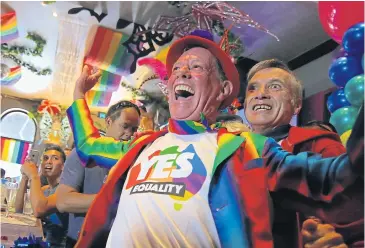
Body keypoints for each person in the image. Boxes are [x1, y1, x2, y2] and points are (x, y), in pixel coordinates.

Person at [67, 30, 363, 248]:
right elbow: (87, 146)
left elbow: (337, 181)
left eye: (196, 67)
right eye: (177, 69)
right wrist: (80, 95)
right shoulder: (140, 145)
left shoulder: (244, 148)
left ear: (222, 90)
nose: (182, 72)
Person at [244, 59, 363, 247]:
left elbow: (353, 206)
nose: (261, 95)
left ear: (296, 105)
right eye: (253, 88)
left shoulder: (317, 143)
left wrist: (331, 236)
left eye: (274, 87)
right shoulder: (225, 148)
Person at [56, 100, 141, 247]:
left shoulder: (134, 159)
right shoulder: (83, 154)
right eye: (125, 126)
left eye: (134, 129)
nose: (129, 134)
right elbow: (63, 201)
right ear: (109, 121)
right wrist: (114, 200)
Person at [15, 145, 68, 248]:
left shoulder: (65, 190)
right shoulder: (44, 190)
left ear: (63, 166)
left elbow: (39, 209)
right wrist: (25, 176)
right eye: (45, 158)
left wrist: (33, 175)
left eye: (55, 158)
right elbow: (18, 210)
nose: (48, 161)